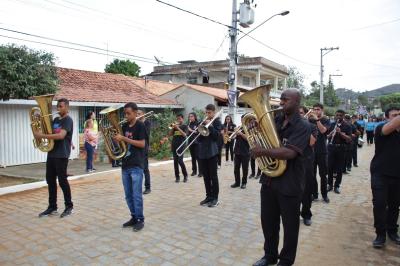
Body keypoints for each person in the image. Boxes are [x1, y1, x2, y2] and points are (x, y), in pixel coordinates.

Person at [251, 89, 310, 266]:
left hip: (290, 183)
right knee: (268, 223)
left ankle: (285, 261)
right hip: (269, 180)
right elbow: (263, 140)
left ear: (297, 102)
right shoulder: (275, 119)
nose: (281, 102)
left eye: (286, 99)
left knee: (290, 227)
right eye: (281, 99)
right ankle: (269, 256)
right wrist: (254, 130)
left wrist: (262, 151)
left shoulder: (303, 125)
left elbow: (290, 153)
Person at [35, 98, 74, 218]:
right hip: (51, 153)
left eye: (61, 106)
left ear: (67, 107)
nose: (58, 108)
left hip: (62, 154)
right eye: (58, 106)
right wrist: (38, 120)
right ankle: (52, 207)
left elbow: (61, 135)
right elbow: (49, 130)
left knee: (62, 181)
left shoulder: (68, 120)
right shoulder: (56, 119)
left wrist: (41, 135)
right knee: (50, 181)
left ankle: (69, 206)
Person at [370, 106, 400, 248]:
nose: (397, 117)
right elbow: (391, 127)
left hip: (397, 175)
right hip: (380, 173)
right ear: (387, 117)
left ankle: (392, 231)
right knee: (380, 204)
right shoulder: (381, 128)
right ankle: (380, 234)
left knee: (395, 205)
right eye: (394, 115)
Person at [113, 102, 146, 232]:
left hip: (136, 165)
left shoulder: (140, 126)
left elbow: (142, 144)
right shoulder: (125, 126)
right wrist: (117, 140)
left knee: (136, 195)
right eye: (125, 113)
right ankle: (133, 216)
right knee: (128, 195)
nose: (126, 116)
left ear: (135, 113)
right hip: (125, 165)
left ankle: (140, 219)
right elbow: (123, 143)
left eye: (128, 113)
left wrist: (124, 139)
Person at [198, 104, 222, 207]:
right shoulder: (202, 121)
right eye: (206, 112)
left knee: (213, 176)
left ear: (213, 112)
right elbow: (199, 139)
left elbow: (216, 137)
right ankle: (208, 196)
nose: (207, 114)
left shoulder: (217, 122)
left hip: (212, 153)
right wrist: (198, 130)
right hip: (203, 153)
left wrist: (210, 126)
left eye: (209, 113)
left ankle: (215, 198)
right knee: (206, 177)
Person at [299, 106, 317, 226]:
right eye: (297, 113)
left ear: (305, 114)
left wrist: (304, 126)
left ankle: (306, 214)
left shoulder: (311, 126)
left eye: (301, 113)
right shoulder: (290, 127)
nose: (299, 115)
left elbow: (311, 142)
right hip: (293, 162)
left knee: (306, 191)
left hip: (306, 161)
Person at [327, 110, 352, 194]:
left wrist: (340, 133)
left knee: (339, 168)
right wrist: (330, 134)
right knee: (329, 167)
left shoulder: (347, 126)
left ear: (343, 116)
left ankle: (337, 185)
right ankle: (329, 184)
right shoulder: (332, 124)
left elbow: (349, 139)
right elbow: (327, 136)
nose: (338, 117)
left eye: (340, 115)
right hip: (331, 148)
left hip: (341, 148)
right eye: (337, 115)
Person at [311, 103, 331, 203]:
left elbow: (323, 131)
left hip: (322, 151)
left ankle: (324, 195)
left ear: (322, 110)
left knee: (323, 175)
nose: (315, 111)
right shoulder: (310, 120)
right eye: (314, 109)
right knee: (312, 175)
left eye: (318, 109)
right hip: (311, 152)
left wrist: (317, 120)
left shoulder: (326, 120)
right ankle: (314, 194)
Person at [231, 118, 249, 189]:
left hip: (245, 152)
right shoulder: (239, 128)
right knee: (236, 169)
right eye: (241, 120)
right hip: (237, 151)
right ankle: (237, 182)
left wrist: (241, 133)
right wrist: (235, 132)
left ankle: (244, 183)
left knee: (245, 169)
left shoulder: (249, 128)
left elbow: (248, 138)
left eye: (243, 120)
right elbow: (232, 137)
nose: (242, 121)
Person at [169, 114, 188, 182]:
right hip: (174, 145)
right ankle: (177, 177)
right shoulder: (175, 126)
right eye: (177, 119)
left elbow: (184, 134)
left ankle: (185, 175)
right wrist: (172, 128)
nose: (178, 120)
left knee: (180, 161)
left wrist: (177, 128)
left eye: (180, 119)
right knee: (175, 162)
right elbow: (170, 134)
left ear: (182, 119)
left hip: (181, 145)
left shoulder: (185, 126)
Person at [137, 110, 151, 194]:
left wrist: (140, 123)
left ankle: (148, 187)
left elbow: (146, 134)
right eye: (137, 114)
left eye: (139, 114)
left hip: (144, 148)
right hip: (137, 148)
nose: (137, 115)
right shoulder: (137, 123)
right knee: (138, 169)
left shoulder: (147, 122)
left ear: (143, 114)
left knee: (145, 168)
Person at [187, 112, 201, 177]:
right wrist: (188, 131)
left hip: (197, 142)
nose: (190, 118)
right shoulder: (189, 124)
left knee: (198, 157)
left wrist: (191, 130)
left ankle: (201, 172)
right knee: (193, 157)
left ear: (195, 117)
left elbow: (198, 132)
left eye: (192, 116)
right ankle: (194, 171)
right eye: (189, 116)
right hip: (190, 142)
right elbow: (187, 133)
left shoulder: (198, 123)